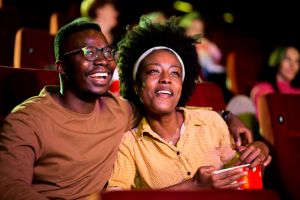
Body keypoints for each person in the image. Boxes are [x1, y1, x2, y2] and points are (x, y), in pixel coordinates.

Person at [0, 18, 265, 199]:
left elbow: (166, 103)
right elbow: (9, 188)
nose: (103, 61)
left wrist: (227, 116)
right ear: (61, 67)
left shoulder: (119, 109)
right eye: (89, 53)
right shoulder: (27, 120)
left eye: (107, 52)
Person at [106, 17, 271, 190]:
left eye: (175, 73)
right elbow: (116, 196)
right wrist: (193, 186)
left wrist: (258, 153)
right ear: (137, 87)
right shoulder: (128, 143)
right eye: (154, 71)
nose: (165, 79)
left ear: (182, 86)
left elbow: (245, 180)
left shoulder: (211, 121)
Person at [250, 45, 300, 117]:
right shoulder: (262, 89)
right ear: (277, 60)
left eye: (297, 61)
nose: (293, 65)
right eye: (287, 59)